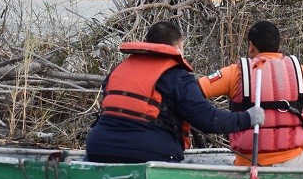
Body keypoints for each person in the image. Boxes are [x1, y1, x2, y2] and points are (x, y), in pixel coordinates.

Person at [85, 21, 265, 164]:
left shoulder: (119, 70)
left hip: (97, 147)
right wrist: (247, 118)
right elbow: (209, 120)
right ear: (177, 49)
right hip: (148, 153)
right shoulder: (178, 77)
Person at [198, 20, 303, 167]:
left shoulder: (236, 73)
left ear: (251, 46)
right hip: (295, 162)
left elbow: (191, 91)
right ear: (278, 47)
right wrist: (298, 114)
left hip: (248, 163)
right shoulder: (301, 72)